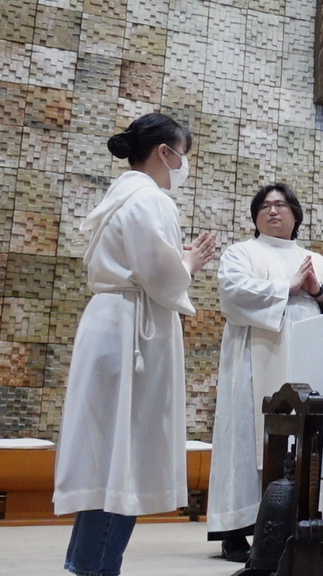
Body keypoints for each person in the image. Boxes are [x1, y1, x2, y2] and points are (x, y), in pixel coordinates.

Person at [53, 113, 217, 576]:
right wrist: (189, 263)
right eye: (183, 155)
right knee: (124, 457)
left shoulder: (121, 195)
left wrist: (178, 263)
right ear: (164, 153)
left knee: (107, 455)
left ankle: (85, 563)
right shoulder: (150, 198)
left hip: (115, 321)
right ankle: (96, 568)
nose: (184, 166)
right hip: (133, 330)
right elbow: (162, 276)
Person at [207, 184, 323, 562]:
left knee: (305, 436)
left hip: (305, 357)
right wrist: (287, 287)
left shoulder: (317, 261)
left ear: (295, 215)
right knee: (245, 434)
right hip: (252, 361)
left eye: (281, 205)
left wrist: (317, 292)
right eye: (265, 206)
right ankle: (236, 530)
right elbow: (233, 294)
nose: (273, 211)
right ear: (255, 216)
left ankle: (303, 526)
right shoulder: (241, 253)